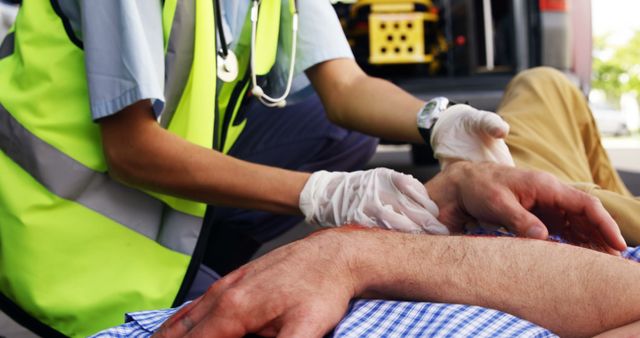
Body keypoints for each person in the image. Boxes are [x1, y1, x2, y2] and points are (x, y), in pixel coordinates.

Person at [0, 1, 633, 337]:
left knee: (336, 133)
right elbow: (132, 148)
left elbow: (345, 86)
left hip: (156, 242)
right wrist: (327, 203)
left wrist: (436, 121)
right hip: (51, 247)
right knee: (547, 87)